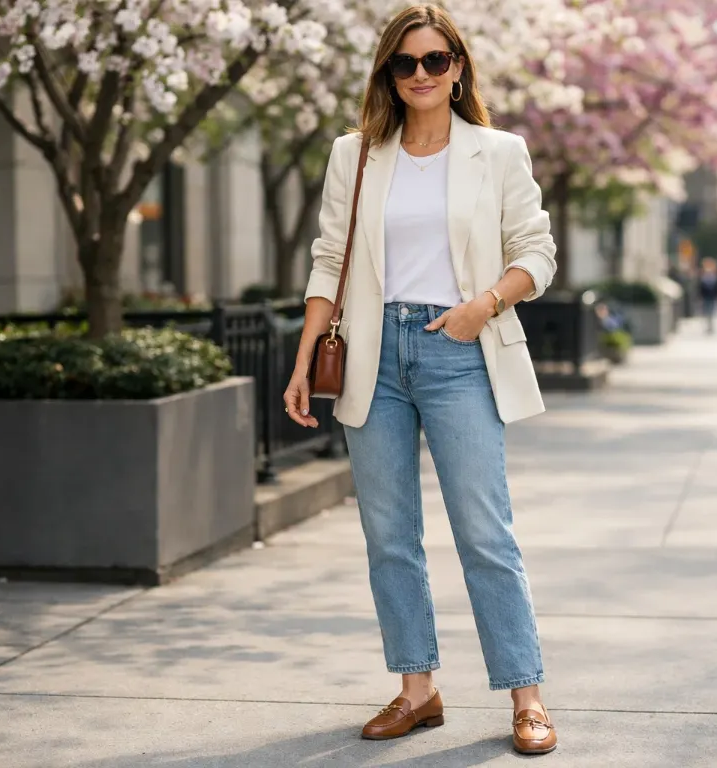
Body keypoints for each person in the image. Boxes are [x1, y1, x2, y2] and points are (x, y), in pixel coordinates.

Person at [282, 4, 559, 756]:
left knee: (483, 531)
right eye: (404, 64)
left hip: (459, 347)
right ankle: (418, 689)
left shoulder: (498, 153)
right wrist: (306, 357)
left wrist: (484, 305)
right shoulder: (358, 154)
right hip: (376, 353)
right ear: (388, 75)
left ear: (459, 67)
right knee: (389, 536)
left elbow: (538, 253)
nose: (421, 75)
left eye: (435, 60)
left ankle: (526, 698)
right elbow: (329, 259)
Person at [698, 257, 717, 334]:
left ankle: (711, 326)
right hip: (706, 297)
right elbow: (700, 288)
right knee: (706, 312)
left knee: (712, 312)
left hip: (713, 297)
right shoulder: (703, 278)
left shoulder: (715, 277)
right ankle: (708, 326)